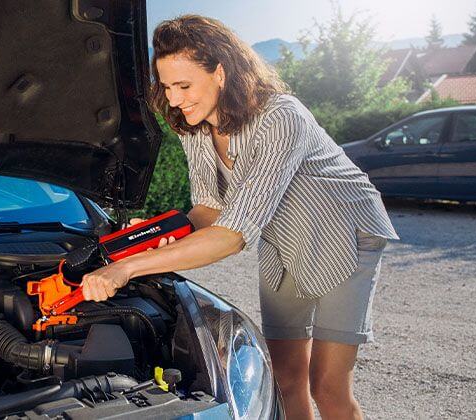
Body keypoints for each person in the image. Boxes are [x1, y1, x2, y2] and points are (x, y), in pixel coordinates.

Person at [79, 14, 398, 420]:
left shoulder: (281, 116)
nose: (173, 100)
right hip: (283, 239)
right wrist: (150, 238)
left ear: (221, 72)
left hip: (345, 234)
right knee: (285, 377)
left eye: (184, 86)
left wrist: (128, 268)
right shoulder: (195, 125)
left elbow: (231, 235)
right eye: (167, 86)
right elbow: (209, 209)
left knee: (327, 386)